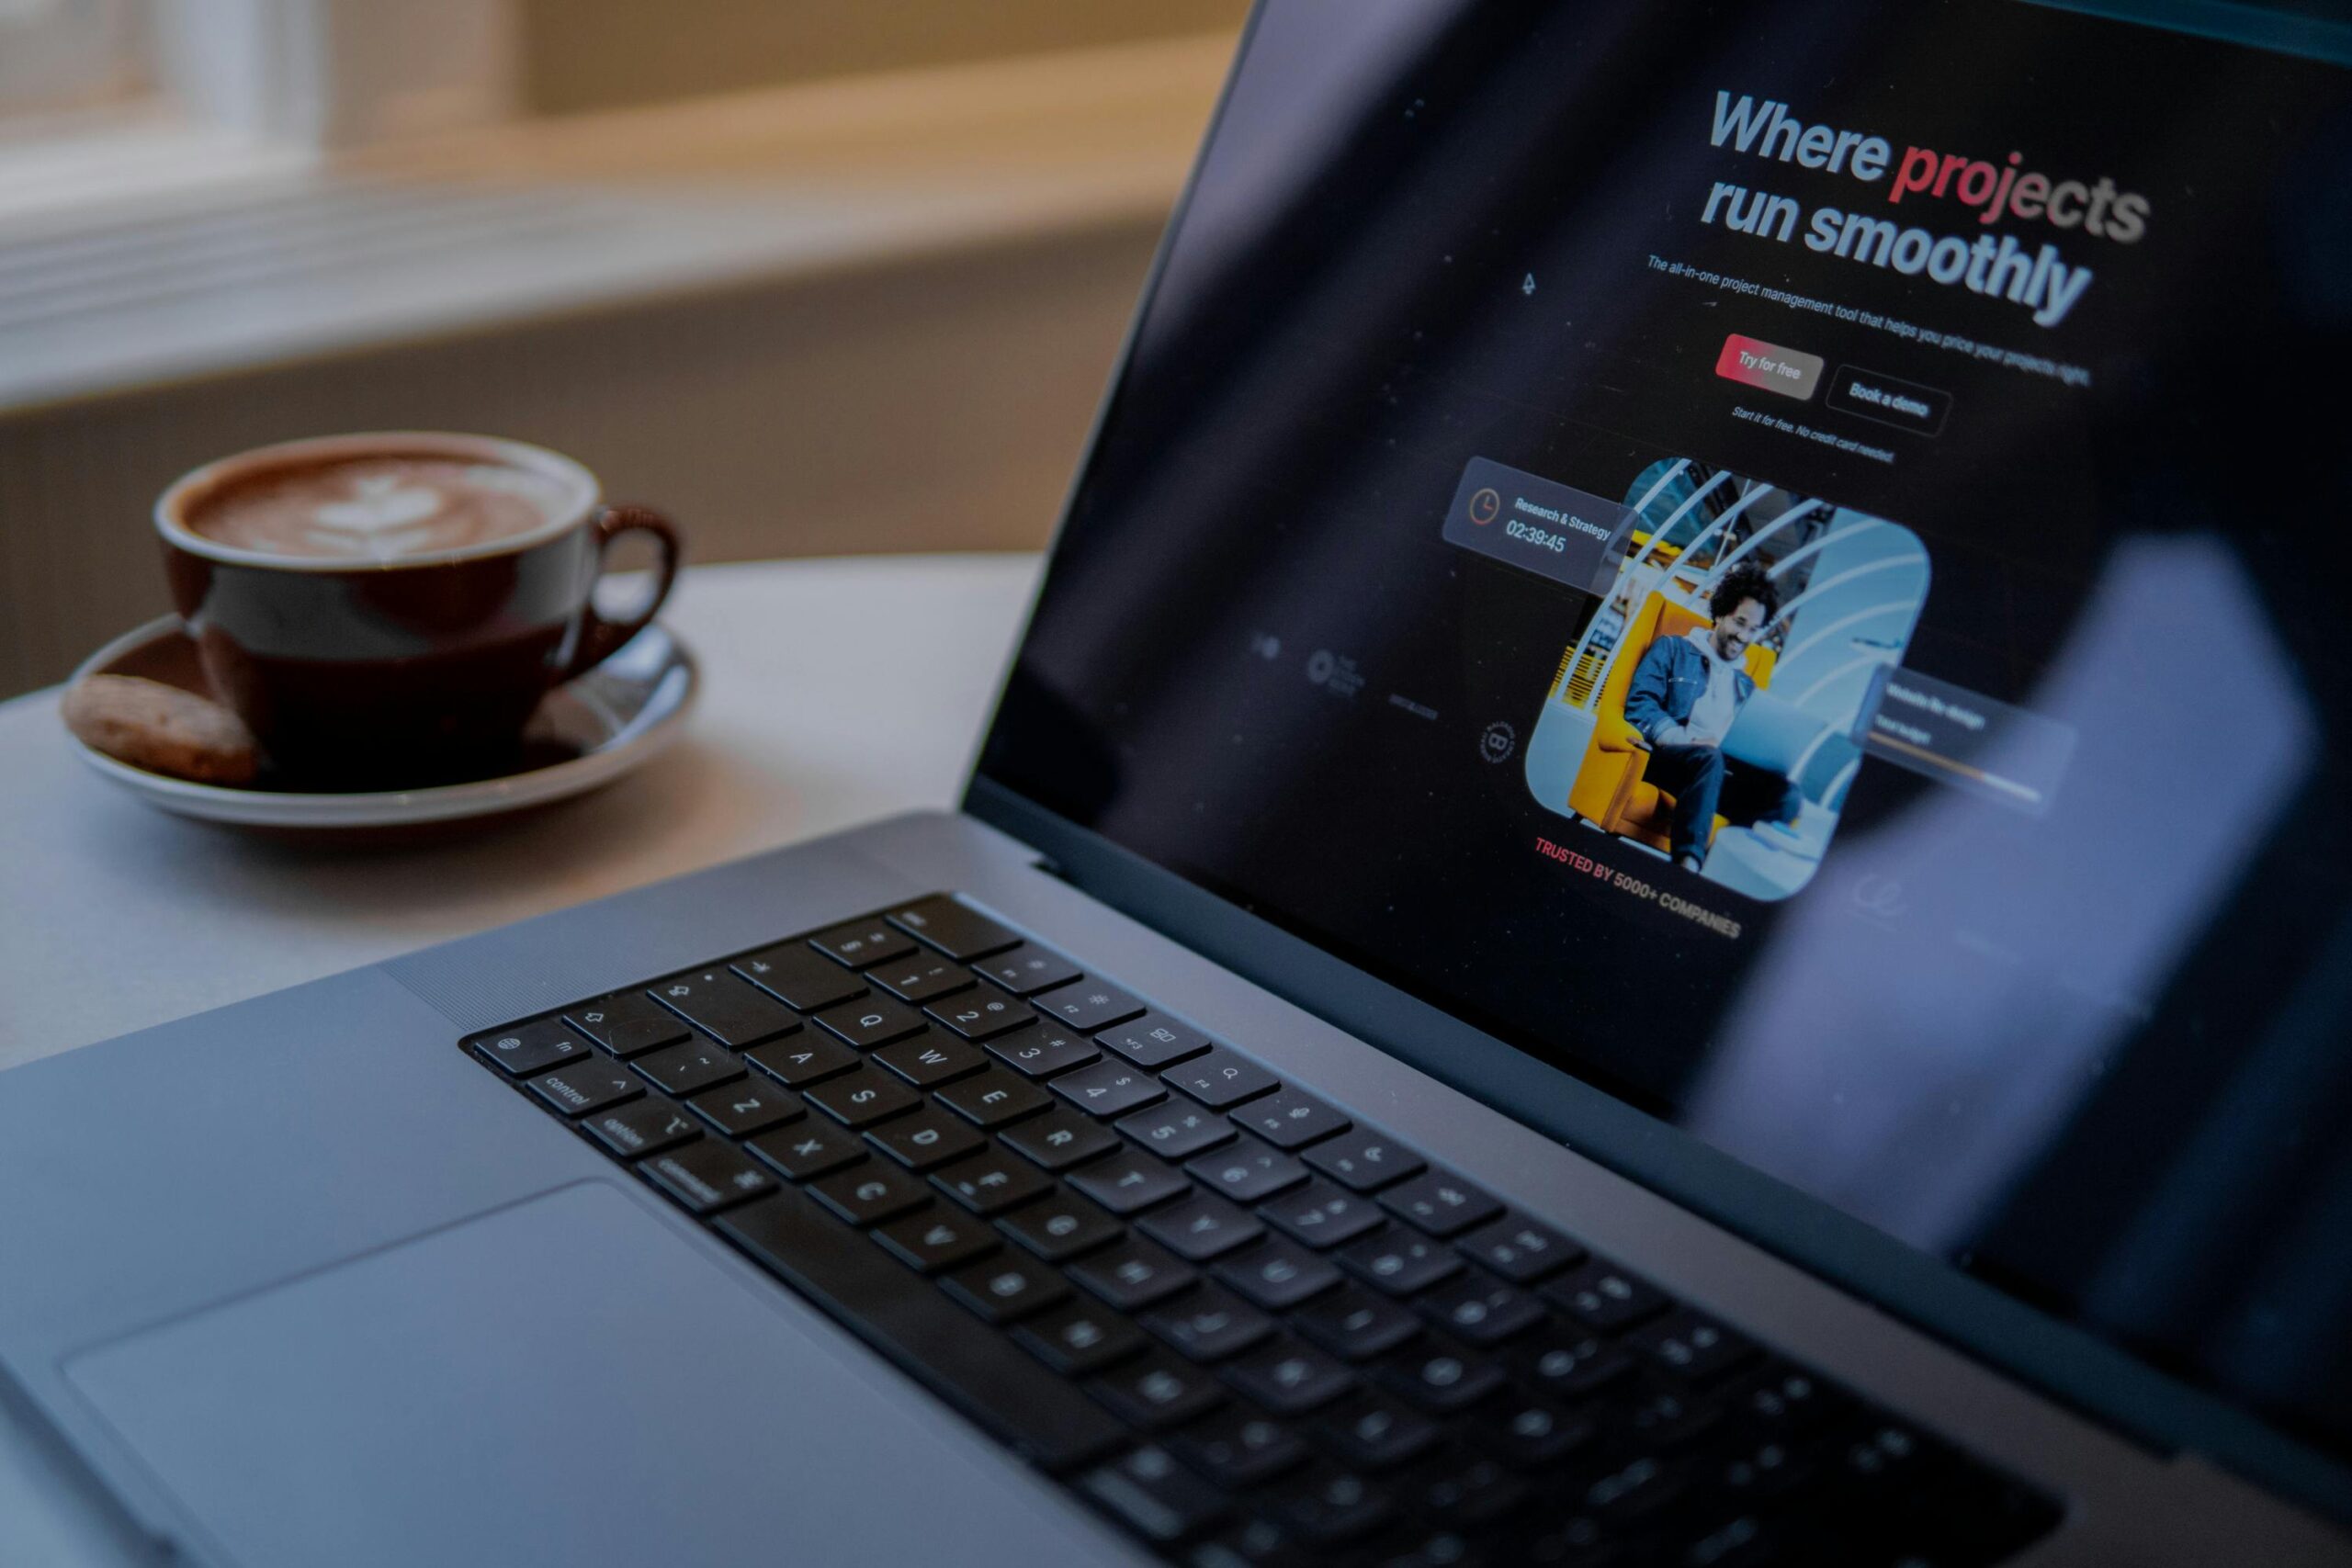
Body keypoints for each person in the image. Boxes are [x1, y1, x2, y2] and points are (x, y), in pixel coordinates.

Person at [1622, 564, 1803, 873]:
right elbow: (1640, 704)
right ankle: (1687, 863)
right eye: (1739, 622)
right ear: (1720, 613)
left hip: (1719, 775)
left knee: (1787, 795)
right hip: (1673, 762)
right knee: (1709, 757)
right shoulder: (1674, 649)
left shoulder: (1746, 686)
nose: (1744, 636)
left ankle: (1725, 864)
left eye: (1753, 629)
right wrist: (1689, 742)